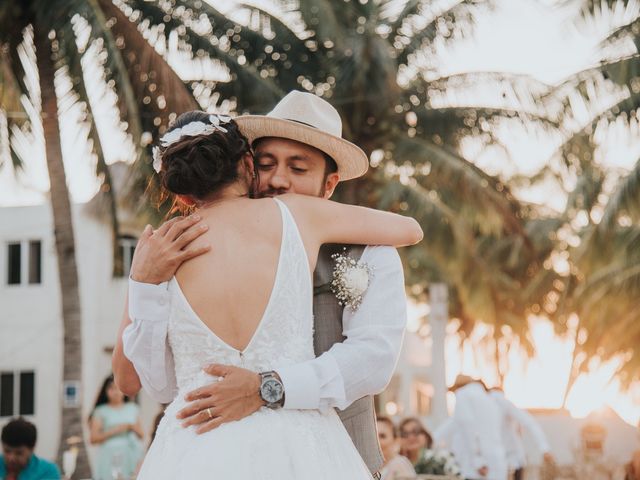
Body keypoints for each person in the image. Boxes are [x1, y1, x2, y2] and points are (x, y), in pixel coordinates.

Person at [112, 91, 415, 477]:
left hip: (328, 454)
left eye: (298, 168)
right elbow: (130, 375)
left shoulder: (371, 254)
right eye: (267, 164)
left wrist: (265, 387)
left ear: (330, 185)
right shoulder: (166, 252)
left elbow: (372, 361)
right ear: (248, 165)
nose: (278, 180)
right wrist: (143, 282)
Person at [447, 375, 507, 480]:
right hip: (497, 462)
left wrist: (478, 460)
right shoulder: (489, 399)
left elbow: (468, 426)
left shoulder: (463, 395)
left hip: (475, 466)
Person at [489, 388, 553, 480]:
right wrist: (544, 448)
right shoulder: (505, 403)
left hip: (493, 460)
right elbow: (530, 423)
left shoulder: (482, 405)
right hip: (513, 460)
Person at [89, 375, 144, 480]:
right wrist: (115, 430)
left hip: (130, 453)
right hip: (109, 455)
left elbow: (141, 434)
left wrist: (130, 426)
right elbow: (93, 438)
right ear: (106, 391)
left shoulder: (132, 408)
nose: (116, 392)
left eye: (118, 388)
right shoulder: (101, 411)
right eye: (112, 388)